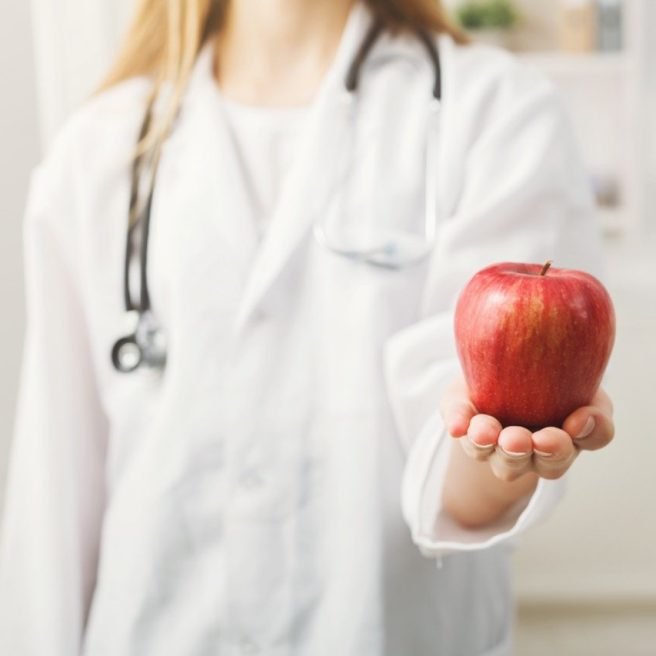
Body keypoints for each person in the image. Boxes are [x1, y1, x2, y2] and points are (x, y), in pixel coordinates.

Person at [0, 0, 615, 654]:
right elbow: (53, 498)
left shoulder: (497, 116)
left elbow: (457, 467)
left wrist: (501, 452)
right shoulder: (97, 150)